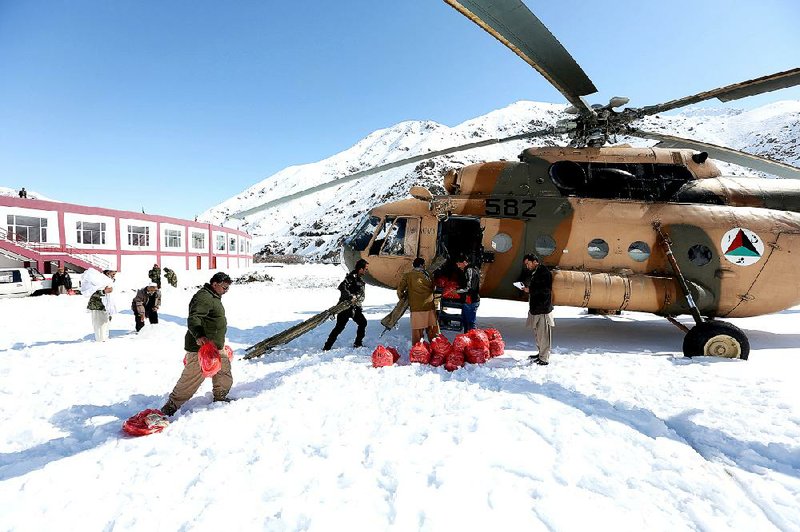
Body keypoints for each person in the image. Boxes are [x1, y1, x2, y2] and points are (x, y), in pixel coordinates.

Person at [161, 272, 233, 416]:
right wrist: (199, 335)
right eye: (224, 287)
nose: (226, 291)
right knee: (192, 377)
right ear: (215, 284)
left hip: (215, 346)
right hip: (201, 348)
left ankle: (220, 396)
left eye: (227, 288)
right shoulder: (203, 297)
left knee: (223, 370)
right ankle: (171, 406)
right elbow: (194, 318)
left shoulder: (213, 296)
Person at [323, 259, 369, 350]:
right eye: (365, 269)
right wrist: (350, 296)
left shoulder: (358, 278)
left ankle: (358, 343)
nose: (366, 271)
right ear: (360, 269)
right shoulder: (351, 277)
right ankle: (327, 346)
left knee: (363, 323)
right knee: (339, 327)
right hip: (346, 308)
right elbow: (342, 287)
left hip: (355, 308)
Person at [520, 254, 554, 366]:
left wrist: (530, 289)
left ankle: (544, 358)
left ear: (534, 261)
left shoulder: (544, 272)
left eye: (528, 263)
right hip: (536, 309)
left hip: (543, 309)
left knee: (543, 335)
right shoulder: (535, 272)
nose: (527, 266)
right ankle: (540, 354)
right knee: (538, 335)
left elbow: (545, 289)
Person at [397, 257, 439, 344]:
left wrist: (403, 298)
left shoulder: (408, 276)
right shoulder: (429, 275)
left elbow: (400, 290)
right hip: (429, 305)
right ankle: (436, 346)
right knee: (432, 328)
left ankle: (418, 349)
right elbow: (433, 287)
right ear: (421, 265)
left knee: (417, 330)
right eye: (424, 264)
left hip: (416, 307)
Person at [87, 270, 117, 342]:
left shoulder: (110, 281)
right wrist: (104, 291)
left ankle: (104, 339)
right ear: (107, 273)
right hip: (97, 305)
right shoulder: (98, 280)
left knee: (106, 323)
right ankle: (100, 340)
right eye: (113, 274)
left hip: (107, 306)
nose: (114, 275)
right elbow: (91, 292)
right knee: (98, 324)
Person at [454, 255, 481, 332]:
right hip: (469, 300)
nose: (458, 267)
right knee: (467, 323)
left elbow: (469, 288)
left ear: (465, 262)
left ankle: (471, 340)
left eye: (459, 264)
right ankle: (468, 339)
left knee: (470, 324)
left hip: (471, 300)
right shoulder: (472, 269)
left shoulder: (469, 270)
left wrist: (457, 291)